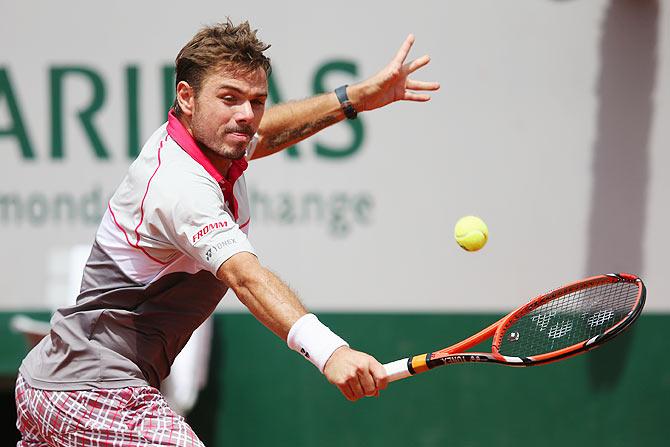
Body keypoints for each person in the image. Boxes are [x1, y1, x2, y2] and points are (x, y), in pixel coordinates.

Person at [14, 19, 439, 446]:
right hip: (89, 391)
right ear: (186, 97)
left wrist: (355, 98)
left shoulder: (208, 141)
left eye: (256, 101)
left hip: (58, 382)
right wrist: (331, 352)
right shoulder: (179, 186)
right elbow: (244, 277)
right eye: (229, 99)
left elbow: (268, 130)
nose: (246, 116)